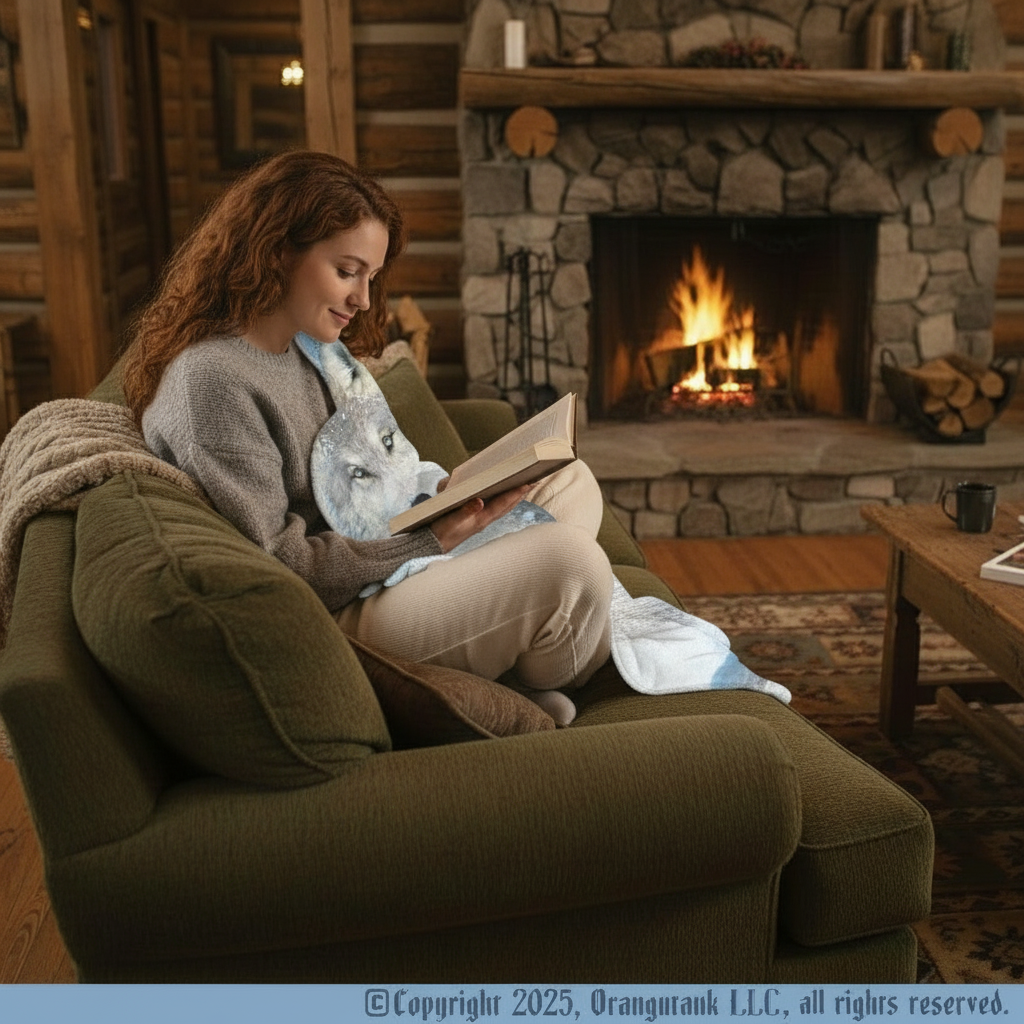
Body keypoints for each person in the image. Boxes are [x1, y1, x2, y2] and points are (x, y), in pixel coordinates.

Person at [123, 150, 613, 724]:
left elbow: (375, 471)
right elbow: (282, 567)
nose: (362, 299)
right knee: (572, 561)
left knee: (569, 480)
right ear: (276, 251)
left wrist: (442, 496)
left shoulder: (311, 348)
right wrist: (430, 540)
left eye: (371, 278)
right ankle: (518, 671)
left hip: (383, 547)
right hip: (343, 609)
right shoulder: (213, 383)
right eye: (347, 271)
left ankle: (500, 650)